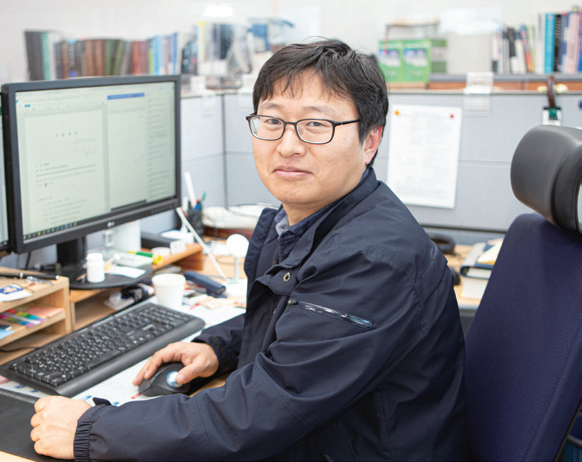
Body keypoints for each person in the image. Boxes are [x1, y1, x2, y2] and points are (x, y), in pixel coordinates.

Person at [31, 39, 468, 461]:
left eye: (316, 125)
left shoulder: (371, 259)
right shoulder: (308, 220)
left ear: (370, 141)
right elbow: (302, 324)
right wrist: (221, 347)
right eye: (272, 121)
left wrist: (91, 430)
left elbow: (258, 412)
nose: (288, 145)